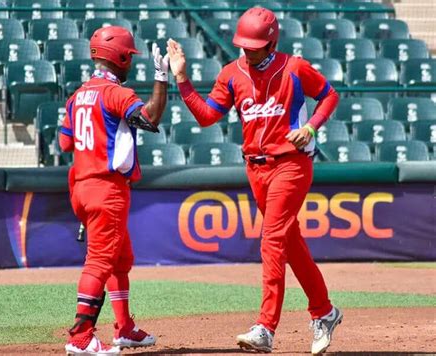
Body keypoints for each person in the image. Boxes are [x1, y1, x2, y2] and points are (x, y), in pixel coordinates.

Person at [167, 7, 342, 355]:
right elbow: (207, 117)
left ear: (271, 42)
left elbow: (329, 95)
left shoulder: (294, 68)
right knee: (290, 244)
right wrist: (183, 79)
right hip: (256, 169)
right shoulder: (232, 73)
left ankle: (265, 327)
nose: (246, 50)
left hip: (291, 165)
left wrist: (310, 128)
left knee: (272, 239)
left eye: (254, 45)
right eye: (243, 45)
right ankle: (324, 311)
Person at [59, 26, 169, 355]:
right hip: (107, 189)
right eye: (129, 57)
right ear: (120, 57)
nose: (130, 62)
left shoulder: (78, 95)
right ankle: (81, 337)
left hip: (82, 185)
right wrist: (161, 77)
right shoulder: (115, 93)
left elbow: (66, 142)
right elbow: (150, 117)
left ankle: (124, 328)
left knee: (121, 259)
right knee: (99, 262)